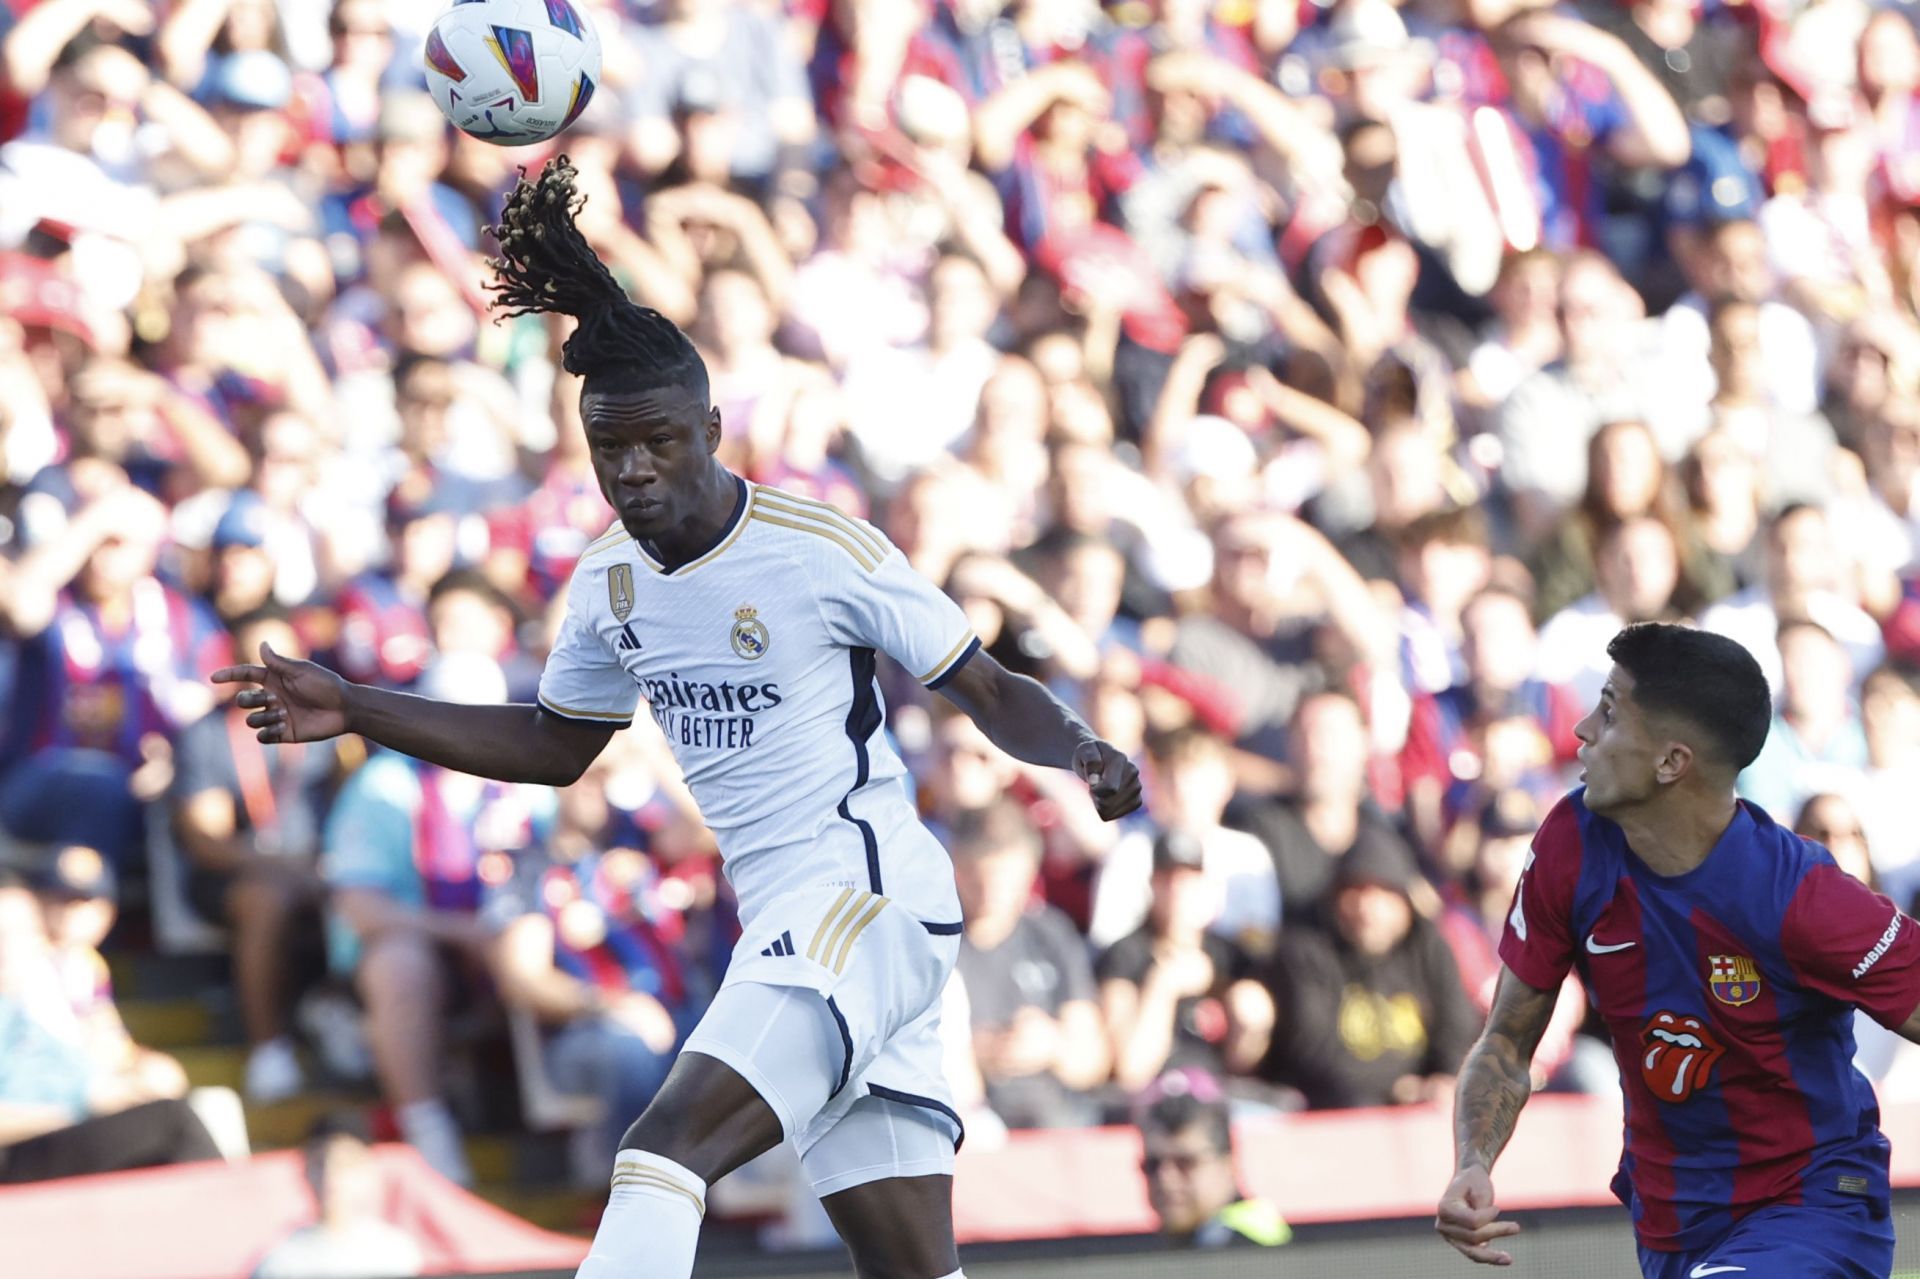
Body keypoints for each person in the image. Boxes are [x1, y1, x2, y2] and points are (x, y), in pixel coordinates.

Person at [213, 155, 1142, 1279]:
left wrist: (1080, 745)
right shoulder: (608, 582)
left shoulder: (821, 550)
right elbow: (556, 748)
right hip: (794, 921)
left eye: (659, 441)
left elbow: (988, 689)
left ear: (711, 423)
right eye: (611, 449)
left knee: (662, 1154)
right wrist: (360, 705)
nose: (636, 471)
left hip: (864, 896)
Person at [1436, 623, 1920, 1277]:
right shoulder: (1570, 842)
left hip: (1811, 1211)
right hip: (1670, 1226)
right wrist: (1473, 1159)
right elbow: (1505, 1043)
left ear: (1672, 762)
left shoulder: (1799, 894)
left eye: (1609, 713)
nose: (1579, 729)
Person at [952, 800, 1110, 1130]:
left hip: (1062, 1117)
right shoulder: (937, 944)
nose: (991, 890)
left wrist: (1051, 1044)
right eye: (979, 874)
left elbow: (1092, 1059)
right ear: (958, 868)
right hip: (973, 1118)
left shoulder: (1052, 935)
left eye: (1005, 876)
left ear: (1028, 870)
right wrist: (979, 1052)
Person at [252, 1113, 425, 1279]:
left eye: (344, 1164)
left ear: (369, 1171)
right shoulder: (279, 1263)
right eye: (319, 1163)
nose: (330, 1177)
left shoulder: (397, 1253)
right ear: (305, 1171)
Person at [1134, 1067, 1290, 1249]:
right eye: (1152, 1165)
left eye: (1185, 1163)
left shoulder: (1255, 1249)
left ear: (1228, 1166)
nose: (1166, 1179)